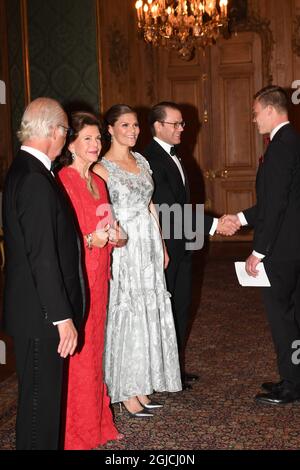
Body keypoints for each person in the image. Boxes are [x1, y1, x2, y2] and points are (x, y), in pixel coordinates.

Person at [2, 97, 85, 450]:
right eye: (66, 131)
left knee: (39, 408)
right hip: (41, 316)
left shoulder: (24, 169)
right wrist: (61, 316)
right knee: (40, 412)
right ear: (53, 131)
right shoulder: (34, 179)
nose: (66, 139)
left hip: (35, 312)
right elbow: (42, 257)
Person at [93, 104, 182, 417]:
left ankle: (143, 384)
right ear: (110, 129)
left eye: (135, 126)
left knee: (149, 309)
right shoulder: (101, 168)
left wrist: (162, 244)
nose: (132, 131)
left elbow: (151, 204)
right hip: (124, 246)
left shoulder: (142, 160)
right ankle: (126, 390)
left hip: (148, 243)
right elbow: (100, 213)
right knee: (129, 311)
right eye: (125, 125)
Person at [143, 101, 239, 388]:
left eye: (182, 123)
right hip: (165, 249)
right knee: (166, 310)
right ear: (158, 126)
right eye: (176, 123)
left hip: (182, 244)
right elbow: (170, 208)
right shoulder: (149, 159)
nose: (182, 128)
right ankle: (162, 374)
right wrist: (214, 224)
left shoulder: (177, 155)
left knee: (181, 307)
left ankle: (175, 371)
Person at [226, 85, 300, 404]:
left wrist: (259, 252)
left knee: (282, 318)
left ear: (270, 110)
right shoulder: (290, 142)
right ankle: (294, 377)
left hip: (282, 250)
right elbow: (276, 202)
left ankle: (292, 384)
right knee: (293, 315)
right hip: (292, 246)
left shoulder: (282, 145)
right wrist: (240, 218)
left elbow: (276, 205)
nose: (254, 120)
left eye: (255, 113)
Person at [57, 111, 124, 449]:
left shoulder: (99, 182)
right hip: (78, 277)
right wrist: (88, 240)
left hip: (101, 276)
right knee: (80, 353)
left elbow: (107, 223)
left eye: (98, 138)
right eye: (88, 139)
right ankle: (76, 430)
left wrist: (116, 234)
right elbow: (62, 237)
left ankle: (97, 423)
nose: (96, 144)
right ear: (71, 144)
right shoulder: (63, 181)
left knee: (96, 350)